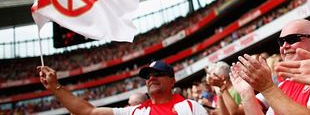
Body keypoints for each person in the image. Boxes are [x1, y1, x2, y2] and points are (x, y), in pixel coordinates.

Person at [229, 19, 310, 115]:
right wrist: (247, 94)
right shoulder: (285, 84)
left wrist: (267, 88)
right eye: (281, 42)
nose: (284, 46)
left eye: (292, 39)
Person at [37, 60, 208, 115]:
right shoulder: (135, 112)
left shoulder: (192, 108)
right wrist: (55, 87)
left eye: (158, 74)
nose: (151, 78)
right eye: (148, 76)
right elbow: (88, 112)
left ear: (172, 81)